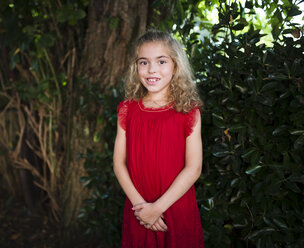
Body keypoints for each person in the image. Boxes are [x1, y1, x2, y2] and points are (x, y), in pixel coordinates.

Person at [113, 30, 205, 248]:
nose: (152, 69)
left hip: (175, 207)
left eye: (161, 61)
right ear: (136, 67)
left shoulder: (188, 111)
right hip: (139, 208)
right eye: (144, 62)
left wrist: (157, 208)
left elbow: (194, 168)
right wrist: (142, 208)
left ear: (175, 65)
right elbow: (118, 163)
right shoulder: (127, 109)